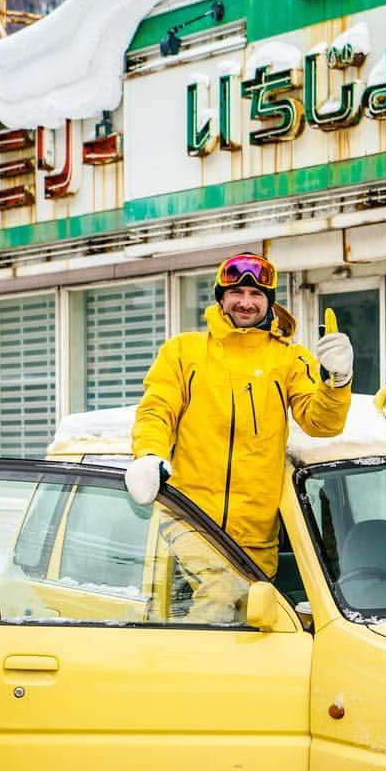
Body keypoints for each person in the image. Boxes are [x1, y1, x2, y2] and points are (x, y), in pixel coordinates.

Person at [124, 253, 353, 592]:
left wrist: (337, 379)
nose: (246, 302)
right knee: (217, 604)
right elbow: (158, 409)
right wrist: (148, 454)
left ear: (269, 302)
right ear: (221, 297)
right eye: (237, 293)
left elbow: (321, 423)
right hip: (189, 522)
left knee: (260, 628)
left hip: (256, 538)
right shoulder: (183, 352)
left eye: (256, 294)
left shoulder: (289, 359)